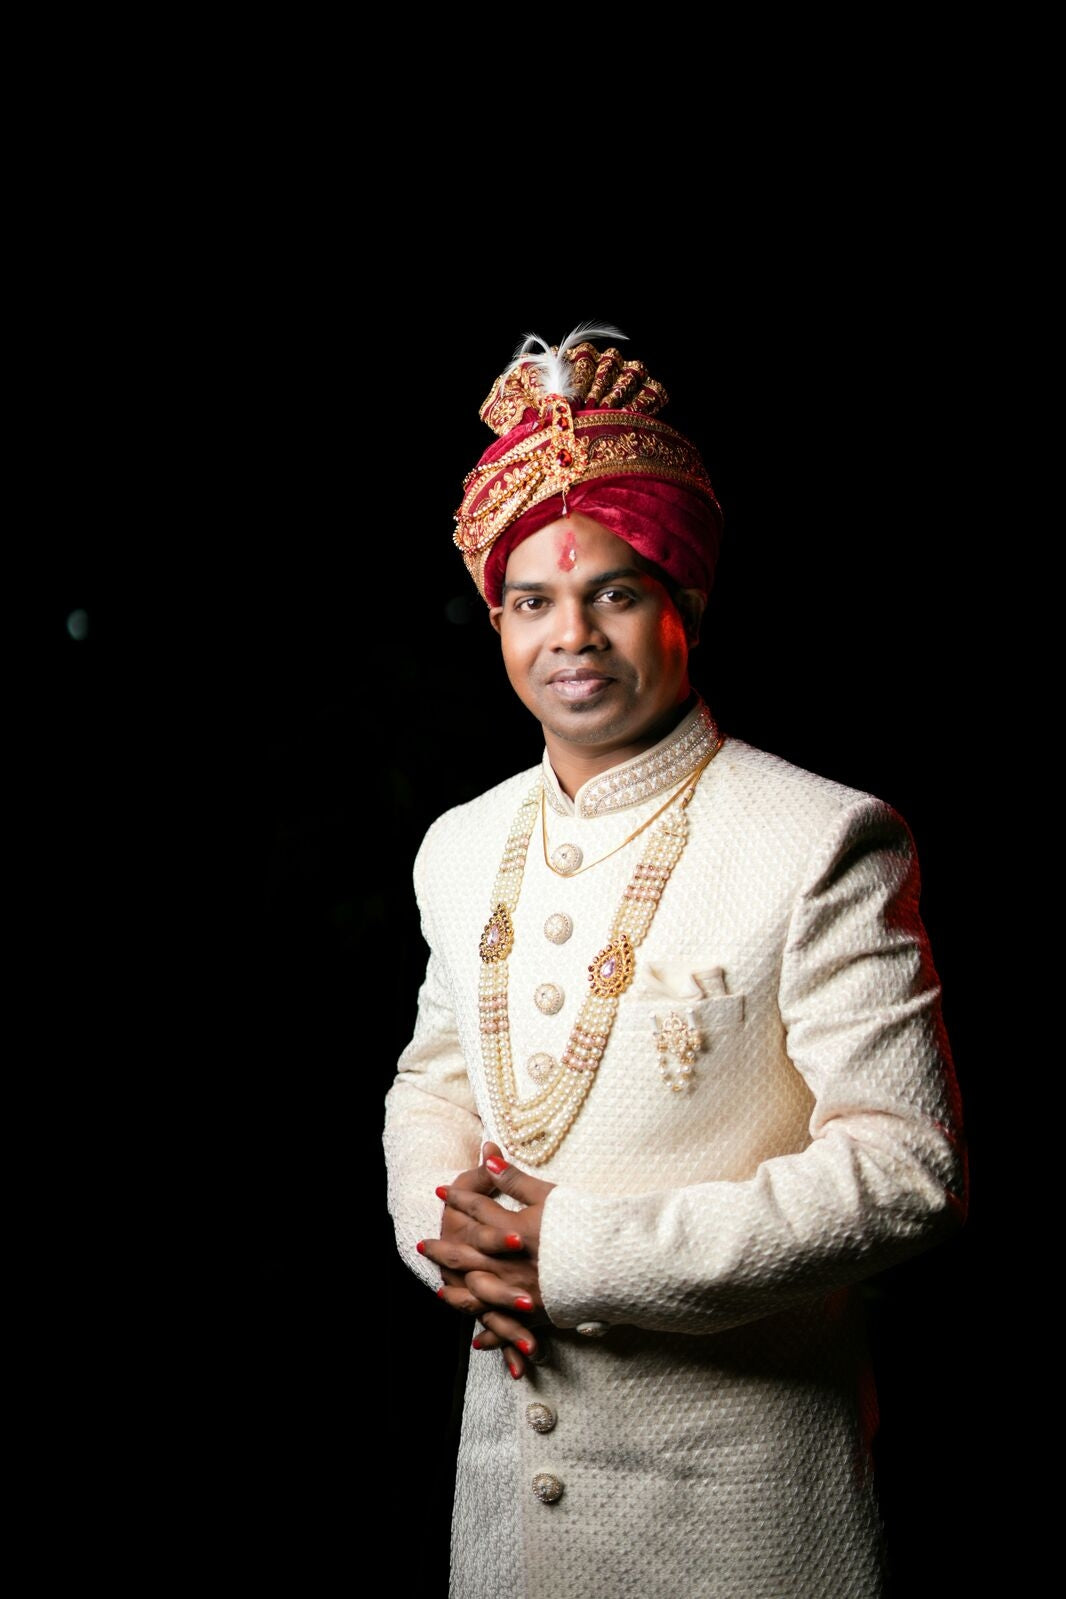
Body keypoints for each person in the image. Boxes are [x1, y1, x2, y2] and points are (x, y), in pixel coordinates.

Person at [382, 321, 966, 1597]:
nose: (571, 636)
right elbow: (434, 1080)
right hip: (510, 1520)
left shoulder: (819, 836)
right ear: (496, 622)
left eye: (616, 593)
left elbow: (907, 1169)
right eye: (532, 601)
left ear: (683, 604)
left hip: (744, 1517)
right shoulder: (462, 843)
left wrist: (581, 1252)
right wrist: (449, 1235)